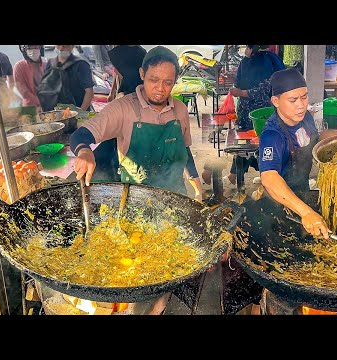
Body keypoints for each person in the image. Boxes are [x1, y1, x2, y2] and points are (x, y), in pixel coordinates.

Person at [70, 46, 203, 314]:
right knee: (136, 266)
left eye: (168, 82)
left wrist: (198, 187)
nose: (160, 89)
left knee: (173, 264)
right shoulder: (123, 108)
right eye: (154, 80)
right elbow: (81, 134)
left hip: (174, 198)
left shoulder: (179, 110)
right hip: (134, 204)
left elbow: (184, 151)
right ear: (142, 74)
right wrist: (84, 151)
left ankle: (160, 304)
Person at [257, 68, 337, 314]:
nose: (301, 105)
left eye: (305, 97)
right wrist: (306, 213)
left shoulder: (304, 117)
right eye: (293, 100)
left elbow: (319, 139)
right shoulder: (272, 134)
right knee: (288, 273)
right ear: (276, 101)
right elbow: (269, 178)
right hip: (279, 210)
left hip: (303, 198)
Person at [220, 45, 285, 187]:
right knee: (244, 145)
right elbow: (239, 82)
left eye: (248, 47)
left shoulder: (269, 61)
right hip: (245, 113)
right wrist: (233, 81)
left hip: (261, 114)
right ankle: (237, 174)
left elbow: (266, 89)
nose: (246, 50)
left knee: (261, 145)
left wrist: (242, 93)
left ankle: (265, 174)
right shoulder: (246, 61)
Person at [41, 45, 94, 111]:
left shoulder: (81, 65)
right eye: (59, 45)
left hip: (76, 113)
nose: (61, 48)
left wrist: (80, 114)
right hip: (56, 113)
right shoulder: (50, 63)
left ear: (72, 47)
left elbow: (89, 92)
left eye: (65, 45)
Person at [14, 45, 47, 110]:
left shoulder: (46, 64)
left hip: (48, 106)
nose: (33, 50)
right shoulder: (19, 67)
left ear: (41, 48)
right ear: (24, 50)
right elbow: (23, 91)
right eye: (29, 48)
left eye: (35, 47)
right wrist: (40, 102)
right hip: (30, 109)